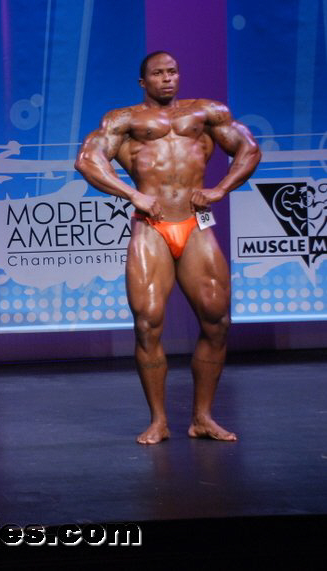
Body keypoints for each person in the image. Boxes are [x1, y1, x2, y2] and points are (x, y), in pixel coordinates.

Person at [75, 51, 260, 444]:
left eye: (172, 72)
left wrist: (221, 188)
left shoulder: (207, 113)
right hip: (151, 227)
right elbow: (88, 160)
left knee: (217, 321)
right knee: (147, 324)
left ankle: (203, 417)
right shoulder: (124, 120)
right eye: (158, 73)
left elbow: (249, 149)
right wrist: (132, 194)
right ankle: (158, 420)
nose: (167, 79)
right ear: (143, 82)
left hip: (195, 225)